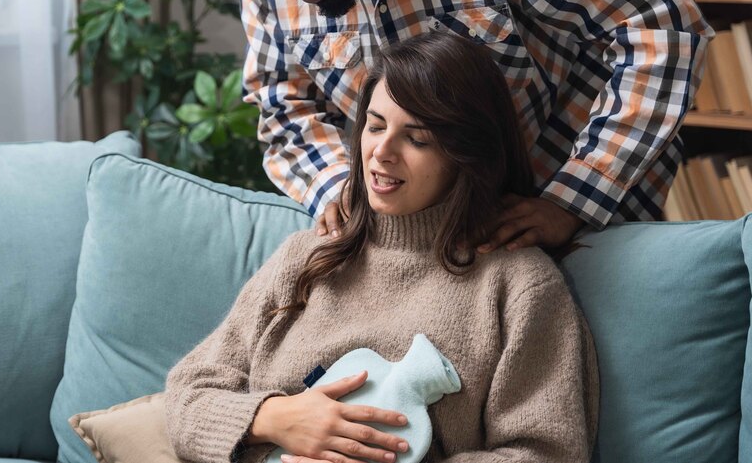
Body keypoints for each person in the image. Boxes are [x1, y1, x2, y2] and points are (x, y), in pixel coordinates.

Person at [195, 0, 713, 253]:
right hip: (419, 255)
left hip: (575, 227)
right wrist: (337, 187)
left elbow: (660, 31)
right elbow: (282, 100)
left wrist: (574, 199)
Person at [164, 32, 598, 463]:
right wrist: (277, 418)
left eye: (417, 138)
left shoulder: (520, 285)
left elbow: (545, 452)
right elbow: (188, 396)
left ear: (467, 154)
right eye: (374, 126)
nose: (381, 152)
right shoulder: (307, 256)